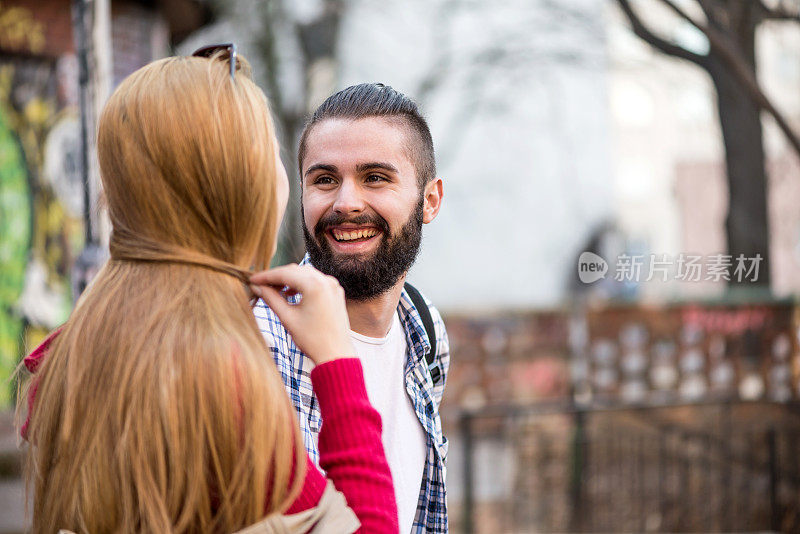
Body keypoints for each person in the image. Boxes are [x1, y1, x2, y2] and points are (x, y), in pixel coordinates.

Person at [18, 48, 397, 533]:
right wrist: (336, 360)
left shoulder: (70, 352)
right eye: (274, 154)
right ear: (243, 185)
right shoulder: (223, 385)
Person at [254, 83, 449, 533]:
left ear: (430, 200)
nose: (346, 204)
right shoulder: (258, 340)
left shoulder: (425, 331)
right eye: (324, 180)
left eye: (375, 177)